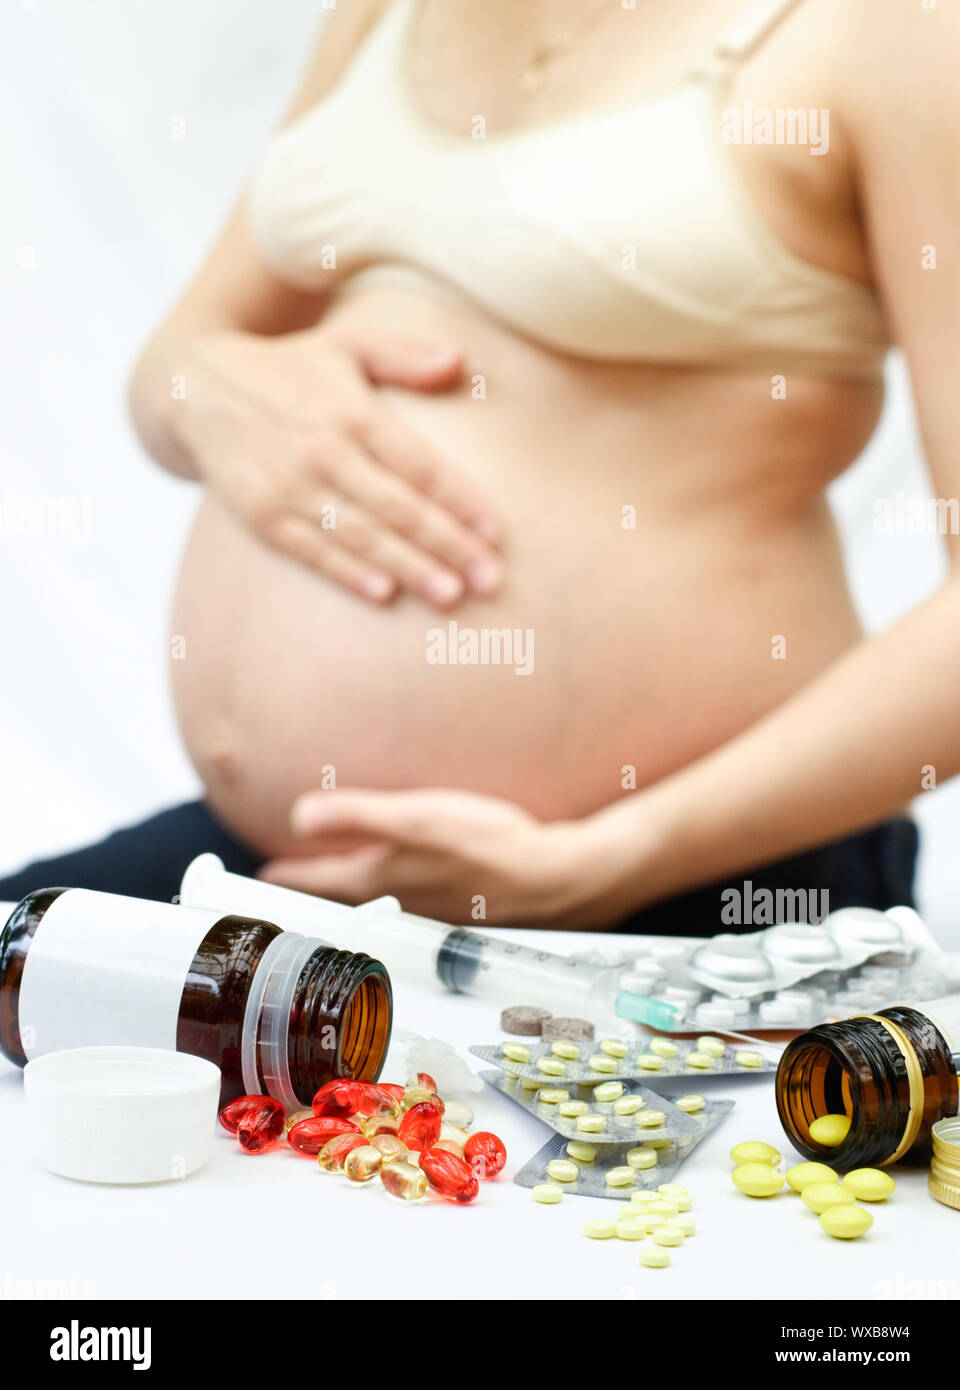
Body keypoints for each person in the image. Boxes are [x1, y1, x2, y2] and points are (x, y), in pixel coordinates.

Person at [2, 0, 956, 933]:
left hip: (690, 896)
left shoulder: (889, 29)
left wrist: (611, 859)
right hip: (292, 871)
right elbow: (177, 361)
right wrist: (201, 389)